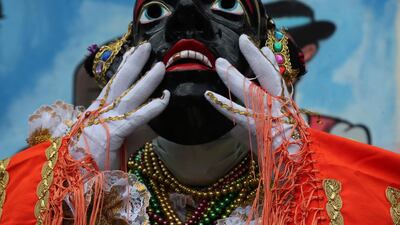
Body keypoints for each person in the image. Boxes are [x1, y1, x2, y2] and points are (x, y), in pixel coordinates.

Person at [0, 0, 399, 224]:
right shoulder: (74, 178)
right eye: (153, 12)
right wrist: (74, 197)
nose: (187, 22)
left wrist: (299, 181)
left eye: (226, 5)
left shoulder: (357, 181)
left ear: (271, 58)